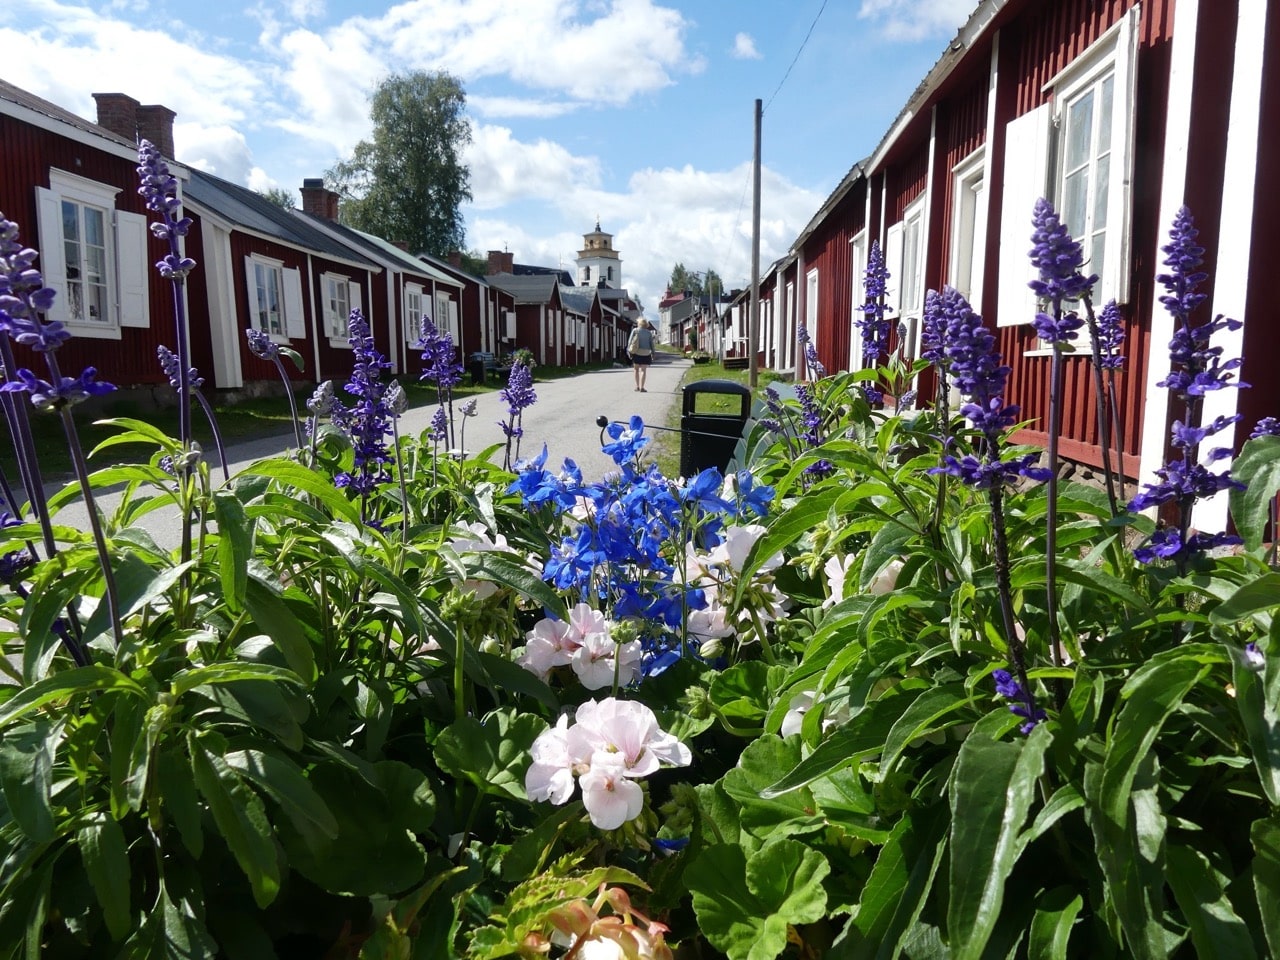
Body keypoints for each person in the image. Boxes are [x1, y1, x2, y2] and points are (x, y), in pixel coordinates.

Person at [627, 318, 655, 392]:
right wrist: (653, 353)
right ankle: (642, 387)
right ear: (646, 324)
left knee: (636, 370)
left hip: (637, 352)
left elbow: (630, 342)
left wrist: (628, 351)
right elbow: (652, 344)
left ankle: (637, 387)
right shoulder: (649, 333)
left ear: (639, 323)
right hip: (646, 353)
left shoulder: (635, 330)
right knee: (643, 370)